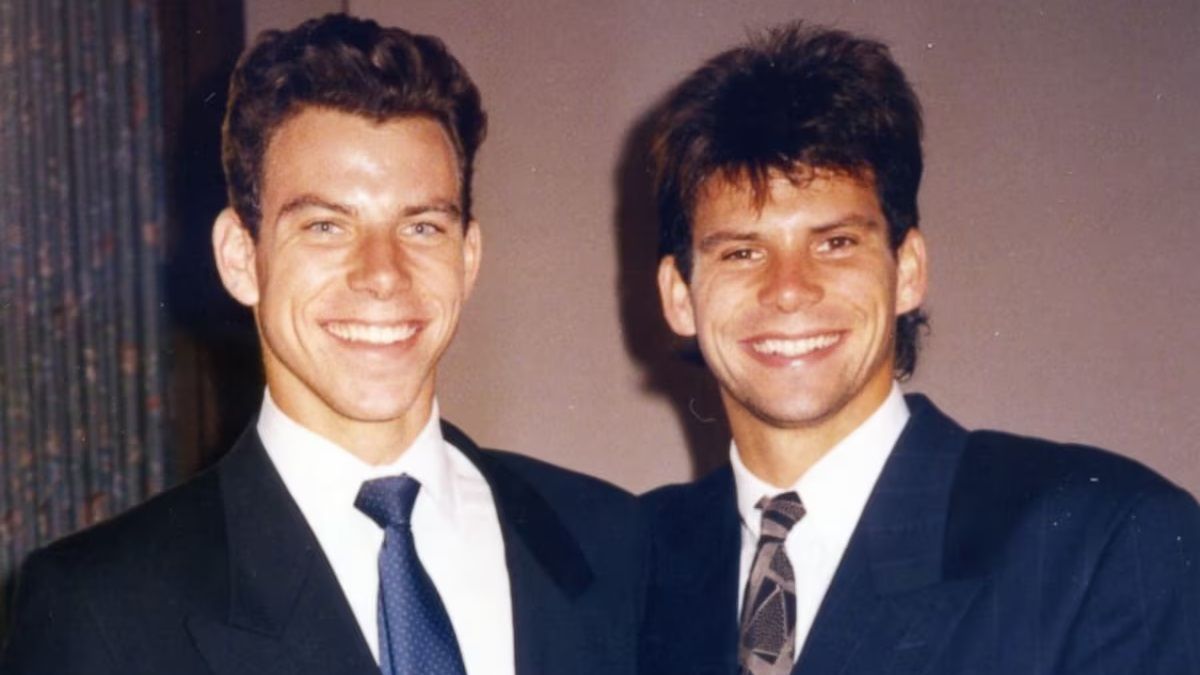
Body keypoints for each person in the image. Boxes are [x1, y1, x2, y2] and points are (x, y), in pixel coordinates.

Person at [1, 14, 642, 675]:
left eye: (422, 227)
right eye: (326, 227)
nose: (383, 274)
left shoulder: (612, 542)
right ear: (240, 258)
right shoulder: (101, 607)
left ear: (468, 257)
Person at [638, 21, 1200, 675]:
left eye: (835, 243)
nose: (789, 289)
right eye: (742, 252)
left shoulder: (1099, 540)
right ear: (680, 296)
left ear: (907, 270)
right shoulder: (628, 565)